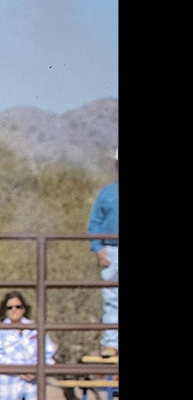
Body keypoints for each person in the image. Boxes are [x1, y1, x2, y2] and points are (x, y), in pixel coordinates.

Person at [0, 290, 57, 400]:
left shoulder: (36, 329)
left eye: (18, 306)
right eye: (10, 307)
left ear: (24, 309)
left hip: (33, 386)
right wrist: (21, 370)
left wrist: (35, 370)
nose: (14, 310)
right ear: (5, 310)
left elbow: (48, 353)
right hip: (8, 387)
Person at [86, 149, 118, 357]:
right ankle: (112, 344)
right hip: (112, 251)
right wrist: (98, 249)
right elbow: (94, 223)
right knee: (112, 298)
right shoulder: (107, 193)